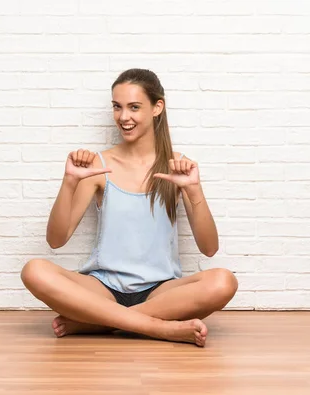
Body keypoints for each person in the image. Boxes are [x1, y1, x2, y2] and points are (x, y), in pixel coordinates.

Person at [21, 68, 238, 347]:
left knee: (224, 282)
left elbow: (209, 248)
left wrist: (193, 190)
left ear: (157, 107)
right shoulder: (98, 166)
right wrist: (69, 181)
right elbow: (56, 240)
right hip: (103, 288)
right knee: (34, 270)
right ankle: (159, 328)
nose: (124, 117)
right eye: (117, 107)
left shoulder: (178, 166)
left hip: (161, 292)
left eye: (134, 107)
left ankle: (100, 324)